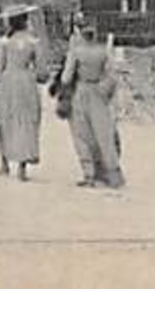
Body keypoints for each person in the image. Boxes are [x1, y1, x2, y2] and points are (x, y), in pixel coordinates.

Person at [60, 17, 124, 189]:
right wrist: (105, 91)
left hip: (81, 91)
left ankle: (90, 173)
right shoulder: (103, 51)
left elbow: (66, 77)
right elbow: (112, 75)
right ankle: (113, 173)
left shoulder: (76, 51)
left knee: (82, 134)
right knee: (103, 133)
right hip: (99, 92)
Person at [0, 4, 43, 181]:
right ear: (26, 21)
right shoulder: (33, 41)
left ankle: (4, 163)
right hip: (27, 83)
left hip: (8, 83)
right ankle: (22, 167)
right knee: (26, 121)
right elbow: (42, 69)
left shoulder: (4, 42)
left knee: (5, 120)